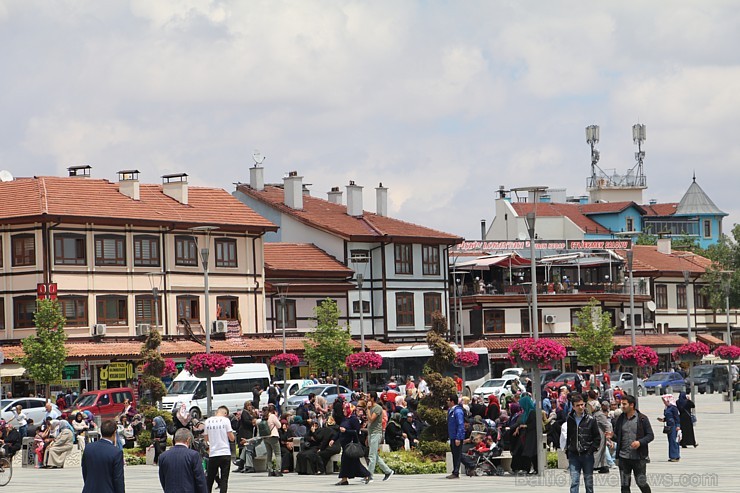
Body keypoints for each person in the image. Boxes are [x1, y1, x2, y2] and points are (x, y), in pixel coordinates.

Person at [614, 394, 653, 493]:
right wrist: (611, 436)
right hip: (623, 457)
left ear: (631, 405)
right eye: (621, 404)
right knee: (625, 485)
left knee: (641, 483)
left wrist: (640, 442)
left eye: (624, 404)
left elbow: (650, 435)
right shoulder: (620, 419)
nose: (622, 406)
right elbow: (617, 437)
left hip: (638, 458)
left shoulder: (642, 419)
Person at [565, 393, 601, 493]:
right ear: (573, 407)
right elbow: (569, 436)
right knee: (574, 482)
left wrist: (590, 451)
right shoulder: (570, 419)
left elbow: (597, 437)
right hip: (574, 455)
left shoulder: (591, 419)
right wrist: (568, 450)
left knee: (588, 483)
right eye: (578, 405)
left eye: (582, 404)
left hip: (587, 455)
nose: (581, 407)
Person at [331, 403, 371, 485]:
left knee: (346, 462)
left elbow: (357, 432)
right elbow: (340, 431)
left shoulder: (353, 419)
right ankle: (365, 475)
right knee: (354, 463)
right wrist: (333, 439)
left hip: (350, 444)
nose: (344, 411)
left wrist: (346, 431)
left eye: (345, 409)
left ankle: (345, 479)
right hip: (344, 444)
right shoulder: (345, 419)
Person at [81, 419, 125, 493]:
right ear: (114, 433)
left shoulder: (88, 448)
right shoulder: (116, 452)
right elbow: (118, 479)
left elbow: (85, 472)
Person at [159, 427, 208, 493]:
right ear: (188, 440)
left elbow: (162, 479)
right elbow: (200, 479)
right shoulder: (193, 455)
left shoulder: (163, 456)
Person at [204, 406, 236, 492]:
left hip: (213, 453)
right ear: (225, 413)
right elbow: (231, 438)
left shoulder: (207, 421)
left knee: (210, 479)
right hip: (225, 452)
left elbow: (206, 439)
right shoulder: (226, 421)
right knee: (224, 479)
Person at [366, 392, 394, 482]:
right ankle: (388, 471)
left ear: (373, 398)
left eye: (368, 397)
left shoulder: (377, 408)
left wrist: (368, 409)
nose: (367, 398)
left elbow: (371, 419)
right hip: (371, 433)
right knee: (375, 455)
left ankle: (369, 475)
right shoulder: (371, 408)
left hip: (376, 433)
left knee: (372, 456)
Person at [446, 394, 465, 479]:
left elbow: (460, 424)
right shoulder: (451, 410)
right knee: (455, 454)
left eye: (448, 400)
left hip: (456, 437)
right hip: (452, 436)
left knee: (457, 455)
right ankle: (455, 470)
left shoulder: (457, 411)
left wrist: (458, 437)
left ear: (452, 401)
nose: (447, 402)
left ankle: (456, 472)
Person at [657, 394, 680, 462]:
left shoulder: (673, 408)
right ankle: (672, 456)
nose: (664, 402)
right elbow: (668, 417)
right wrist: (663, 420)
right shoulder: (667, 408)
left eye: (665, 401)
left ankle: (675, 456)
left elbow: (677, 418)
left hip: (674, 426)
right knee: (671, 441)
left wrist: (678, 426)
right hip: (669, 425)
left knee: (674, 441)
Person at [262, 404, 283, 476]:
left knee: (269, 454)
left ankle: (270, 470)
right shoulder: (272, 416)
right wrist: (276, 416)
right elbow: (279, 425)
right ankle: (278, 470)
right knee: (278, 454)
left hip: (265, 437)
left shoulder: (263, 417)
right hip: (273, 436)